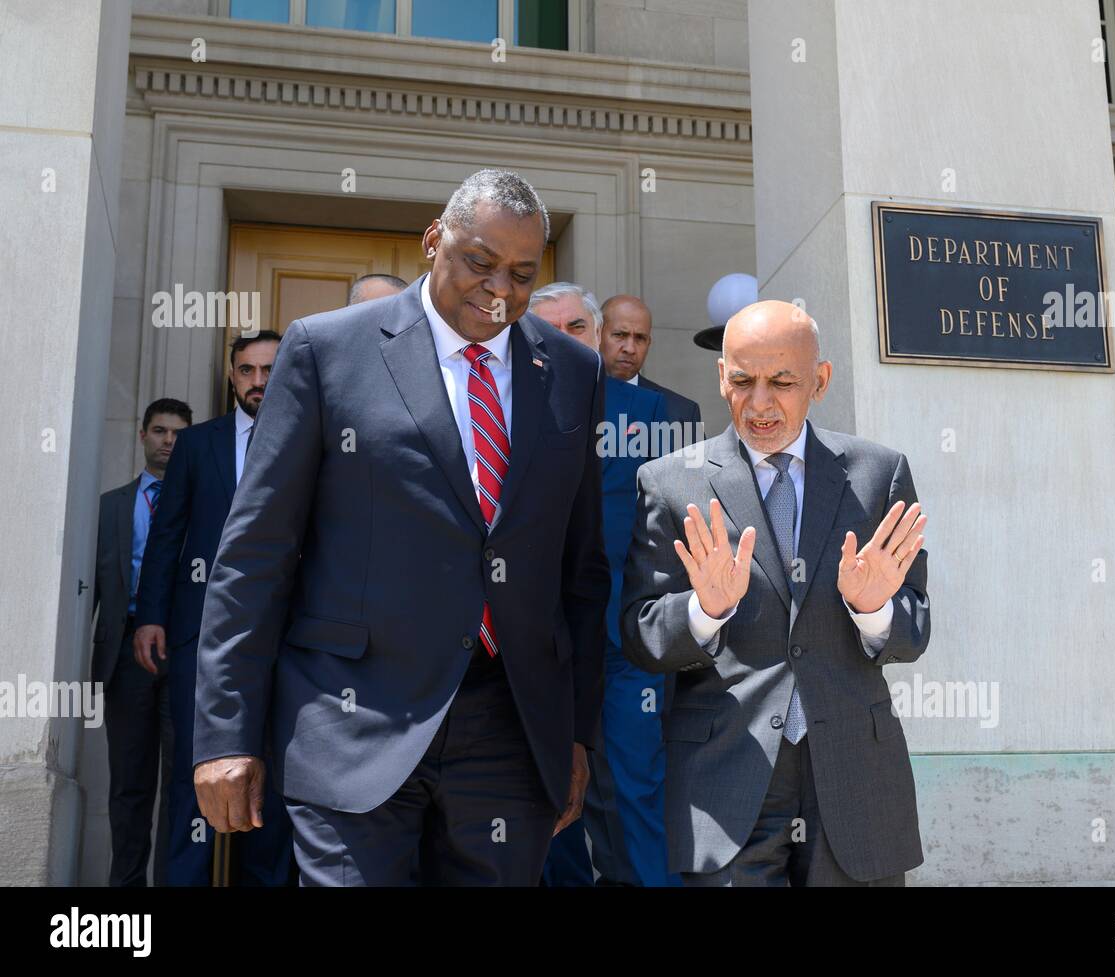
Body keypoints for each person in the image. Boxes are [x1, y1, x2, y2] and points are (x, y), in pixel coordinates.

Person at [189, 168, 609, 886]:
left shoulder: (570, 369)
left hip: (510, 733)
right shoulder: (327, 350)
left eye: (521, 272)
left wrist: (574, 733)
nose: (500, 290)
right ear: (432, 241)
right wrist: (225, 731)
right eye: (479, 262)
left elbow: (580, 569)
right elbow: (256, 551)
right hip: (353, 721)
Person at [621, 300, 931, 886]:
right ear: (721, 378)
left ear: (820, 380)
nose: (760, 403)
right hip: (725, 783)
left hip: (854, 781)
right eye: (743, 381)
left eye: (782, 382)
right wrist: (703, 611)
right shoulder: (667, 481)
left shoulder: (878, 473)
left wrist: (875, 609)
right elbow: (640, 634)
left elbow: (915, 629)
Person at [133, 331, 293, 886]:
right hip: (197, 635)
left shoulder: (312, 438)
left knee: (270, 782)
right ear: (232, 377)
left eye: (269, 370)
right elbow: (166, 534)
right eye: (247, 371)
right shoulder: (199, 444)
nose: (258, 382)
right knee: (189, 776)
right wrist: (150, 615)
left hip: (286, 642)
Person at [529, 284, 674, 886]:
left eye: (577, 329)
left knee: (633, 790)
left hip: (621, 637)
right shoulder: (487, 407)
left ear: (596, 334)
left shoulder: (649, 417)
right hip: (517, 644)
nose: (566, 342)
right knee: (533, 801)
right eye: (548, 331)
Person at [93, 398, 191, 886]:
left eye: (177, 432)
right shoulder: (111, 506)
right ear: (142, 436)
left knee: (182, 784)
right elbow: (89, 586)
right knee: (129, 786)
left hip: (185, 652)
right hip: (127, 655)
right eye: (159, 430)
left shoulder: (204, 505)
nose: (168, 440)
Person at [601, 294, 704, 447]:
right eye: (619, 335)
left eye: (640, 338)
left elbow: (696, 470)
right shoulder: (573, 401)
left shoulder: (682, 413)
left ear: (649, 343)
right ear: (598, 334)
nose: (630, 348)